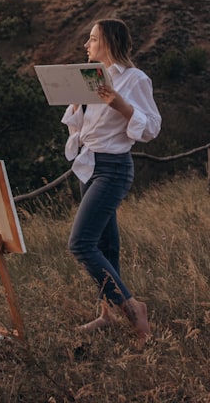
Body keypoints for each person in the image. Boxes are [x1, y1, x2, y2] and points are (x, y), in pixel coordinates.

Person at [62, 19, 161, 344]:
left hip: (113, 168)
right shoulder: (90, 79)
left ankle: (134, 311)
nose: (86, 45)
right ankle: (107, 314)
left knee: (81, 244)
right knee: (106, 245)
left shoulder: (135, 79)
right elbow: (80, 131)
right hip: (88, 165)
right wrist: (77, 104)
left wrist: (121, 105)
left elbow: (152, 128)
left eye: (92, 39)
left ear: (108, 43)